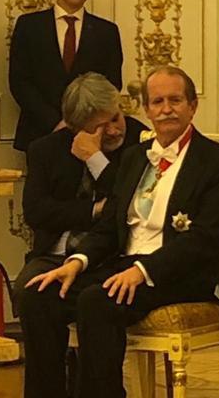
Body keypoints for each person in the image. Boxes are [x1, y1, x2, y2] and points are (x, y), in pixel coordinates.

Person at [0, 65, 219, 398]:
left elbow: (205, 240)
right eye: (158, 102)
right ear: (147, 110)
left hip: (179, 271)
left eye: (175, 100)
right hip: (124, 263)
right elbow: (110, 226)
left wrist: (144, 271)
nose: (166, 109)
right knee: (40, 296)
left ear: (192, 106)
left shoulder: (217, 162)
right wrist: (76, 263)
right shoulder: (137, 157)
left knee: (97, 302)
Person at [20, 72, 147, 265]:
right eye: (100, 128)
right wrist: (94, 209)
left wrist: (95, 158)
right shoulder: (45, 149)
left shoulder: (140, 140)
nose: (113, 131)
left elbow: (131, 199)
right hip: (56, 255)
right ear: (76, 129)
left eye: (115, 118)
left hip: (116, 255)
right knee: (30, 284)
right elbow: (36, 212)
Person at [9, 0, 124, 151]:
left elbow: (112, 84)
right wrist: (55, 122)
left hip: (91, 135)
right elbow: (20, 82)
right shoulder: (29, 26)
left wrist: (83, 123)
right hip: (39, 133)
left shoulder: (106, 32)